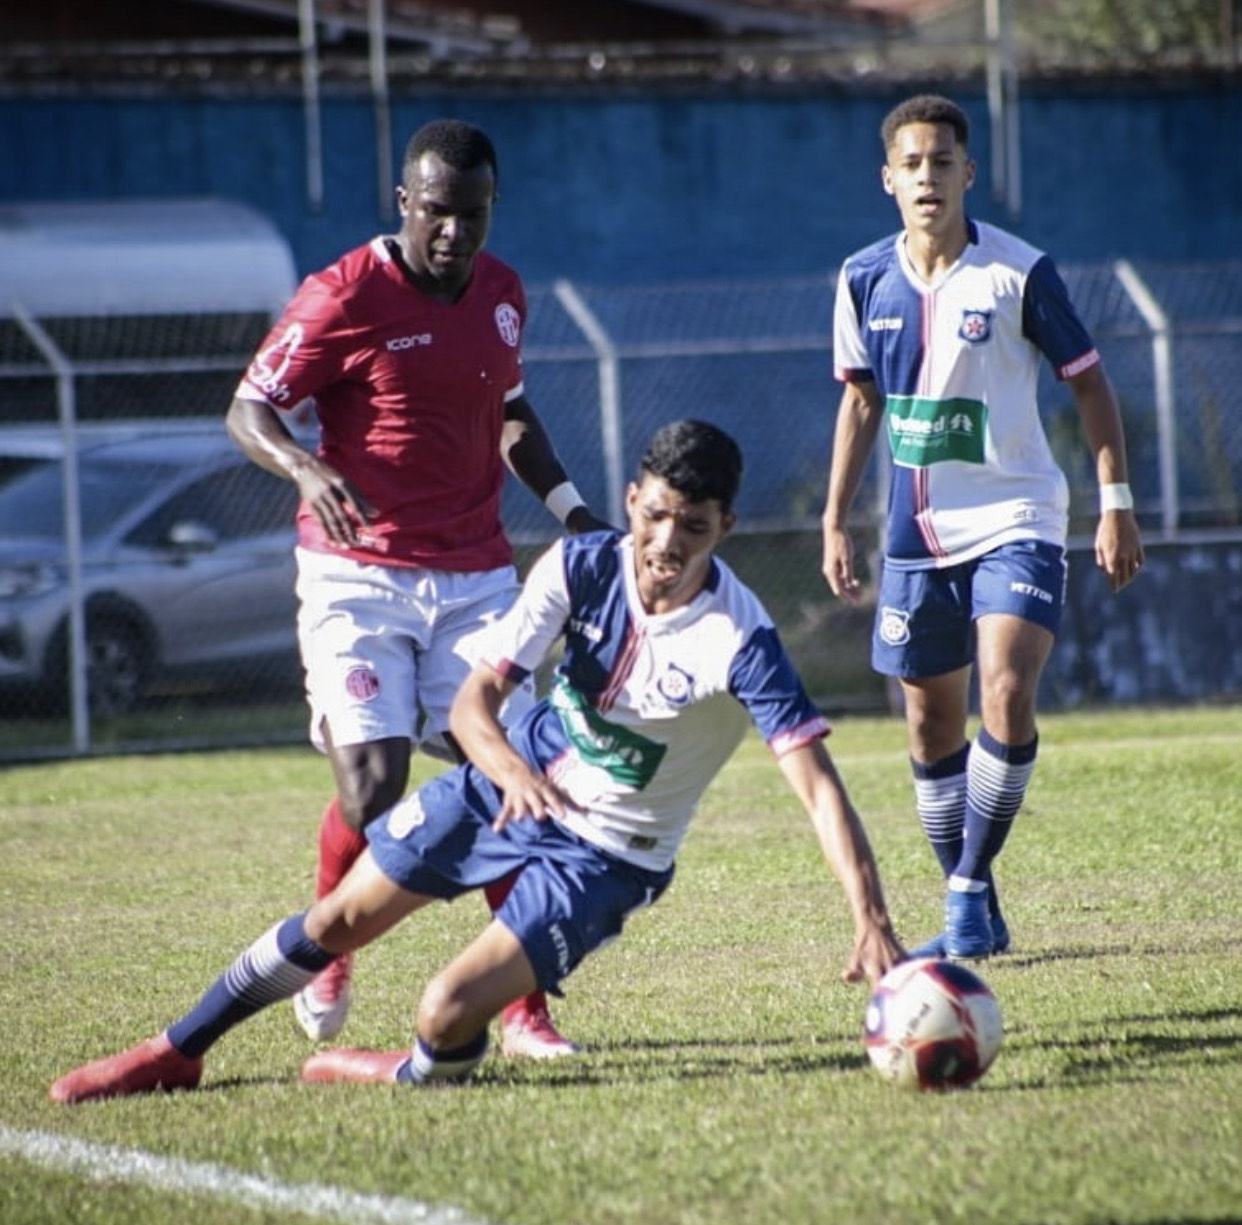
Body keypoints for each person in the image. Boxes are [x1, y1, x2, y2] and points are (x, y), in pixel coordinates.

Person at [50, 419, 906, 1104]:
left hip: (606, 858)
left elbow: (818, 788)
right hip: (510, 783)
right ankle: (177, 1049)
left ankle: (405, 1070)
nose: (666, 541)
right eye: (654, 514)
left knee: (444, 1010)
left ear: (726, 526)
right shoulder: (578, 564)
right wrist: (511, 772)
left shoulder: (740, 638)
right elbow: (471, 704)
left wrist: (868, 915)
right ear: (633, 499)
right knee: (336, 921)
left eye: (694, 525)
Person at [225, 117, 609, 1058]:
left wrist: (570, 510)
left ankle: (521, 1006)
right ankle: (330, 943)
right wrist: (305, 469)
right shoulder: (343, 293)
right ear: (405, 202)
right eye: (437, 212)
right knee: (373, 784)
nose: (454, 233)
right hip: (357, 569)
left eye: (472, 215)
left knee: (507, 776)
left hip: (475, 575)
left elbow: (510, 413)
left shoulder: (505, 294)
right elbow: (249, 407)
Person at [820, 94, 1145, 960]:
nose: (928, 177)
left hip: (1018, 517)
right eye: (912, 164)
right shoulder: (860, 278)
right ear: (888, 179)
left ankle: (964, 892)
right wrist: (833, 518)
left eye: (943, 161)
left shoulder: (1020, 273)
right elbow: (860, 401)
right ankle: (980, 900)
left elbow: (1090, 383)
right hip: (916, 536)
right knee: (930, 732)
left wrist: (1115, 501)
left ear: (969, 172)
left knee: (1005, 689)